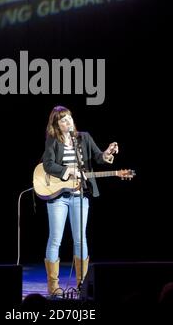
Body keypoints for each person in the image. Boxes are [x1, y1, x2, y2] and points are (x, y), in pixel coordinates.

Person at [42, 105, 118, 295]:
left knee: (80, 240)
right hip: (58, 196)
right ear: (57, 125)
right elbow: (48, 164)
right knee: (55, 240)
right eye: (63, 120)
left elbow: (98, 157)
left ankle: (82, 285)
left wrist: (107, 153)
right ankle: (53, 286)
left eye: (69, 118)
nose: (68, 122)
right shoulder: (53, 140)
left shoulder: (83, 137)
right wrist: (68, 171)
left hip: (80, 195)